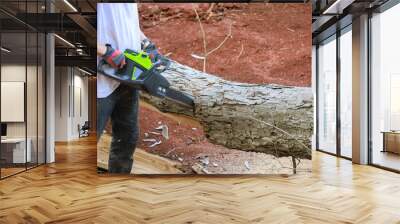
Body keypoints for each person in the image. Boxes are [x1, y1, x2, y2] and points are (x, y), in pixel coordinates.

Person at [97, 3, 147, 173]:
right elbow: (72, 23)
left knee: (127, 138)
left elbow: (128, 21)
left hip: (127, 77)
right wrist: (105, 51)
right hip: (100, 83)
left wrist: (145, 42)